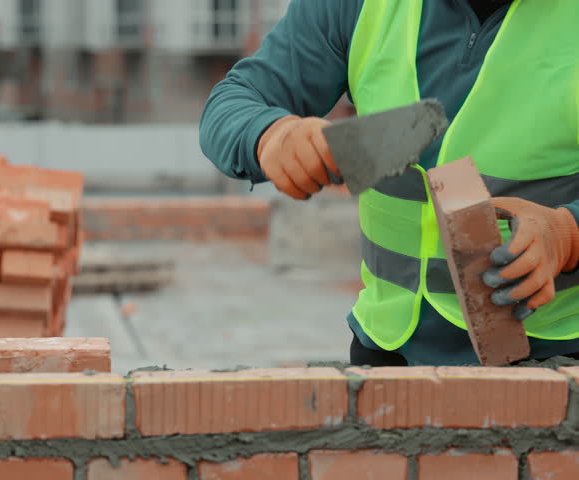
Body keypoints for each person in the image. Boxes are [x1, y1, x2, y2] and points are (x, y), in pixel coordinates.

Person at [199, 0, 579, 366]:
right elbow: (234, 102)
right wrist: (269, 135)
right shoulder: (358, 6)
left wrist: (568, 234)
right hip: (388, 351)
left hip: (557, 358)